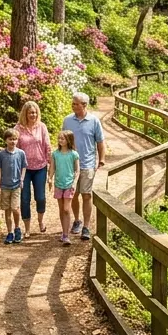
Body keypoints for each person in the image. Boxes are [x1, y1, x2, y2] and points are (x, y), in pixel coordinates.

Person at [61, 92, 105, 241]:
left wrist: (102, 159)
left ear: (84, 105)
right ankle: (77, 220)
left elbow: (100, 142)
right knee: (73, 195)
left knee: (87, 194)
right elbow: (62, 140)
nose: (73, 106)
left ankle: (86, 226)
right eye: (73, 103)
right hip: (70, 164)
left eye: (76, 104)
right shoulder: (67, 120)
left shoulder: (94, 121)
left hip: (87, 164)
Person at [15, 101, 51, 237]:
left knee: (40, 197)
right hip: (24, 169)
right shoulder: (18, 128)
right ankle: (27, 228)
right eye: (31, 112)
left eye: (35, 112)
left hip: (40, 167)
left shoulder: (41, 127)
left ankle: (41, 221)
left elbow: (47, 146)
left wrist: (51, 166)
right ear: (25, 113)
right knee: (24, 199)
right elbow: (15, 148)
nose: (33, 115)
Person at [0, 128, 27, 244]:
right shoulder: (1, 154)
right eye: (10, 139)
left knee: (15, 208)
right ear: (5, 140)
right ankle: (9, 232)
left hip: (16, 185)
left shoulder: (21, 153)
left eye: (15, 139)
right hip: (4, 186)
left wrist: (22, 179)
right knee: (7, 210)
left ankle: (17, 228)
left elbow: (24, 166)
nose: (13, 142)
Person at [50, 130, 80, 245]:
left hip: (69, 185)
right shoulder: (55, 154)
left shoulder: (74, 154)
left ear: (68, 140)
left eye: (62, 138)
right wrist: (50, 178)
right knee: (61, 209)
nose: (60, 140)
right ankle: (64, 232)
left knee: (67, 209)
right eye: (59, 138)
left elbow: (77, 170)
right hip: (58, 184)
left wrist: (74, 182)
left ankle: (66, 235)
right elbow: (52, 168)